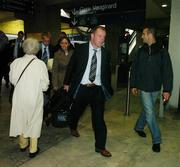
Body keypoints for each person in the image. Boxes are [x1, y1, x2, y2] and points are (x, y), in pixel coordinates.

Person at [63, 26, 113, 157]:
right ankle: (73, 126)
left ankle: (100, 146)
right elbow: (71, 66)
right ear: (92, 36)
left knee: (99, 119)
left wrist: (107, 88)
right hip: (82, 88)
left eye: (103, 37)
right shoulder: (81, 49)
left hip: (97, 90)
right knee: (76, 112)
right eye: (99, 36)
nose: (102, 39)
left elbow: (107, 72)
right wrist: (66, 83)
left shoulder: (106, 53)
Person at [130, 26, 173, 153]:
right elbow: (135, 69)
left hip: (155, 87)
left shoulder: (162, 51)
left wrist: (167, 89)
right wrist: (133, 85)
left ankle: (138, 127)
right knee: (150, 113)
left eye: (143, 34)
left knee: (146, 110)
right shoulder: (141, 51)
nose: (141, 36)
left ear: (150, 35)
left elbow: (167, 71)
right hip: (143, 87)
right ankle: (157, 140)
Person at [9, 38, 49, 158]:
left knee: (21, 118)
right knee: (34, 121)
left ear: (23, 47)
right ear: (37, 49)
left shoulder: (15, 62)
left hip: (19, 96)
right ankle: (33, 148)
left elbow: (12, 80)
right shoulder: (40, 64)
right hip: (34, 97)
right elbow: (45, 86)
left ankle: (23, 144)